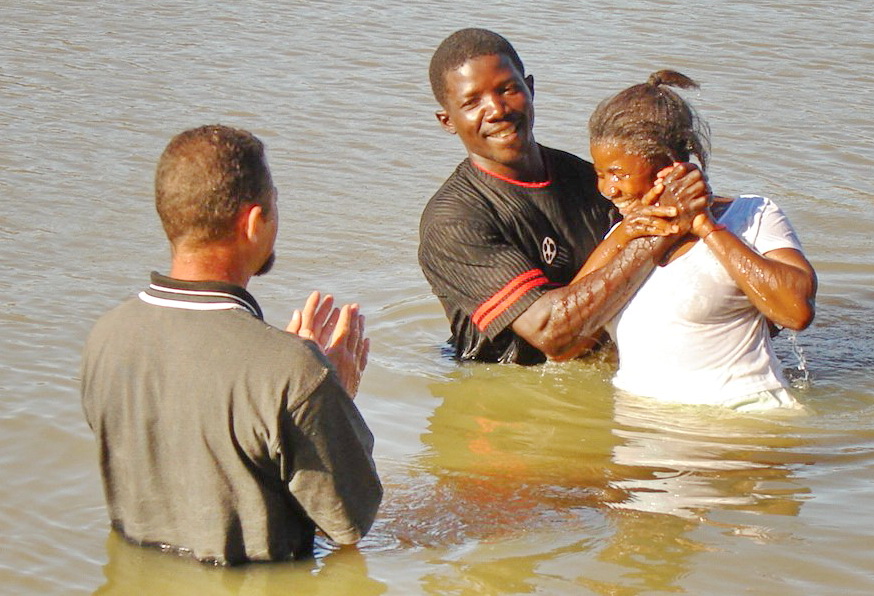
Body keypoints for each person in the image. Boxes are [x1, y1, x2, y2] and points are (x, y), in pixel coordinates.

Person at [81, 125, 382, 565]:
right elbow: (350, 523)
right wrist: (333, 391)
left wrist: (290, 374)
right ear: (255, 222)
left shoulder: (105, 337)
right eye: (275, 205)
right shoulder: (293, 372)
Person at [418, 28, 710, 365]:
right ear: (447, 120)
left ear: (530, 89)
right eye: (472, 102)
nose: (496, 109)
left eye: (507, 89)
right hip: (511, 392)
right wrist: (658, 231)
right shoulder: (454, 222)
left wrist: (691, 200)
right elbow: (553, 337)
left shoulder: (590, 180)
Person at [580, 70, 817, 410]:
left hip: (744, 429)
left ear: (670, 167)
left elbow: (796, 312)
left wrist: (704, 226)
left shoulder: (751, 215)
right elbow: (564, 331)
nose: (607, 189)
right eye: (600, 174)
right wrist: (628, 233)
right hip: (640, 434)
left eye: (618, 174)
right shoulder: (624, 234)